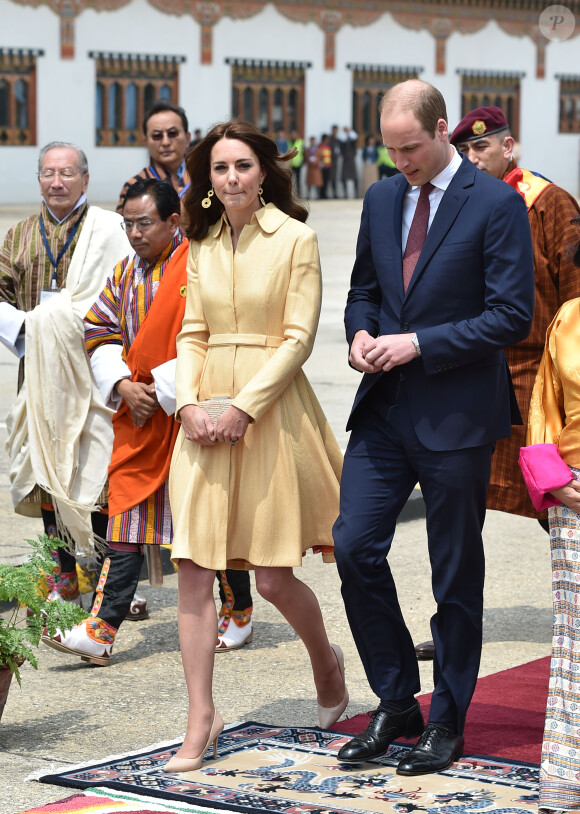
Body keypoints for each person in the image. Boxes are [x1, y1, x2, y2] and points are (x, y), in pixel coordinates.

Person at [332, 79, 534, 776]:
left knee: (454, 573)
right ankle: (397, 702)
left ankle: (447, 718)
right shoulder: (382, 198)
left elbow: (511, 315)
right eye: (391, 151)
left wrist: (419, 343)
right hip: (385, 409)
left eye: (412, 148)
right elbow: (364, 289)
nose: (402, 162)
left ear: (443, 129)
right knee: (353, 546)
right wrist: (360, 333)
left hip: (457, 415)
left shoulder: (497, 203)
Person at [164, 118, 346, 772]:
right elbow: (192, 332)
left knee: (270, 578)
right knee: (193, 568)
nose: (232, 178)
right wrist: (187, 403)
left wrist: (246, 407)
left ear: (263, 171)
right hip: (202, 414)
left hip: (270, 410)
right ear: (207, 179)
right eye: (220, 168)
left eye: (242, 165)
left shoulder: (296, 238)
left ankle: (326, 664)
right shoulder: (201, 241)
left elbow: (299, 337)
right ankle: (201, 717)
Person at [415, 105, 580, 663]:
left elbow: (576, 297)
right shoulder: (456, 205)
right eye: (464, 150)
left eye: (481, 148)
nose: (472, 158)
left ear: (509, 148)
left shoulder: (549, 203)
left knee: (558, 502)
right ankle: (453, 630)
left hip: (536, 379)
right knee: (457, 511)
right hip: (472, 372)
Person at [42, 178, 184, 665]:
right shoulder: (124, 271)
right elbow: (98, 328)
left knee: (205, 521)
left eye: (145, 223)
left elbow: (212, 336)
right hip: (138, 418)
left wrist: (161, 390)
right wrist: (123, 385)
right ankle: (100, 630)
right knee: (125, 516)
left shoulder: (198, 267)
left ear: (173, 221)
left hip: (185, 413)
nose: (135, 234)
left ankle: (238, 608)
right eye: (128, 225)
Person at [0, 141, 130, 605]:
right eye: (49, 174)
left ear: (85, 179)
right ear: (39, 179)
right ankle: (65, 576)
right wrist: (30, 328)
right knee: (48, 472)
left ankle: (109, 580)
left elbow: (124, 290)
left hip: (95, 370)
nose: (57, 182)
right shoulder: (17, 237)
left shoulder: (109, 230)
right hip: (39, 373)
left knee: (99, 471)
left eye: (67, 173)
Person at [518, 223, 580, 814]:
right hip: (575, 496)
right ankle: (569, 790)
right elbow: (543, 408)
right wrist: (553, 480)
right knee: (576, 643)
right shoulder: (569, 317)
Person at [116, 100, 191, 212]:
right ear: (146, 143)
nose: (165, 142)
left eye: (172, 133)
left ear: (187, 138)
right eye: (157, 135)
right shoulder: (134, 186)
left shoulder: (205, 178)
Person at [339, 127, 359, 198]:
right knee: (344, 177)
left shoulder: (352, 138)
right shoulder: (342, 139)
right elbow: (341, 147)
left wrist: (350, 134)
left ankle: (356, 193)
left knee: (355, 177)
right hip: (345, 160)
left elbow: (355, 141)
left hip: (351, 159)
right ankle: (345, 194)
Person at [288, 129, 305, 197]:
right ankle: (290, 194)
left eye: (294, 134)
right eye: (292, 134)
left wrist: (303, 161)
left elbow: (303, 152)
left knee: (298, 180)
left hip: (298, 164)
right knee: (290, 180)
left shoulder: (300, 142)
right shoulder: (288, 142)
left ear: (297, 135)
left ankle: (299, 194)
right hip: (290, 164)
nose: (293, 136)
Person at [328, 125, 343, 198]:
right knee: (331, 177)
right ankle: (332, 193)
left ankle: (335, 193)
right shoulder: (330, 139)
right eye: (334, 130)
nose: (335, 132)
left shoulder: (337, 140)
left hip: (336, 160)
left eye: (336, 130)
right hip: (331, 160)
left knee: (336, 176)